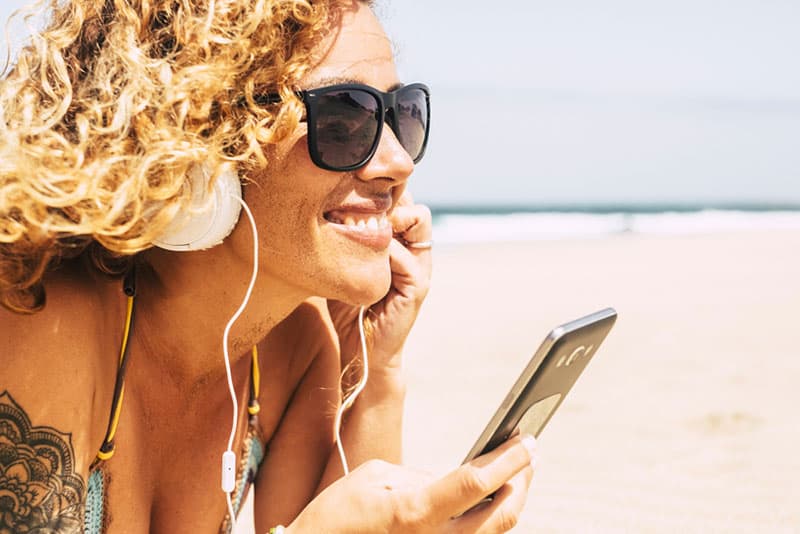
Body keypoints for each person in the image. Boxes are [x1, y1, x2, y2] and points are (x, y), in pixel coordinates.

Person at [0, 0, 537, 532]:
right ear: (197, 140)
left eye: (403, 115)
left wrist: (379, 370)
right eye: (346, 117)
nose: (398, 160)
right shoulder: (41, 316)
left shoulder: (294, 350)